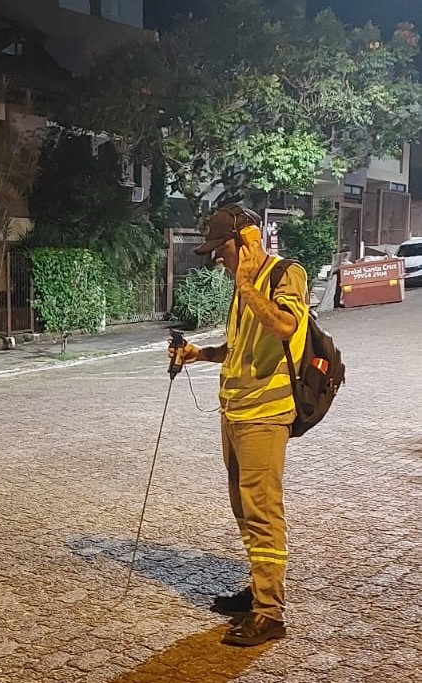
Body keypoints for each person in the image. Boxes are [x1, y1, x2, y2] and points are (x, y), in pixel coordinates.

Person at [170, 204, 309, 647]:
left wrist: (247, 281)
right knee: (244, 510)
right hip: (234, 413)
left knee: (263, 513)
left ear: (249, 240)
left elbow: (285, 326)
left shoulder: (285, 275)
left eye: (221, 249)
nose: (217, 259)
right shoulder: (243, 289)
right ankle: (259, 588)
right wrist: (200, 353)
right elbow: (241, 346)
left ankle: (270, 614)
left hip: (265, 416)